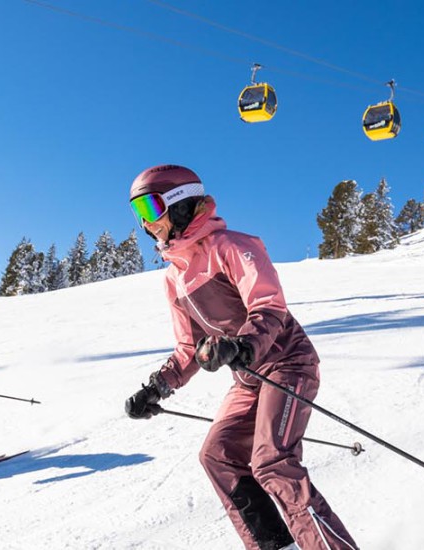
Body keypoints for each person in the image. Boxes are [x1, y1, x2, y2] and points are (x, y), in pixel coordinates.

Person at [121, 164, 357, 550]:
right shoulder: (174, 278)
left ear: (180, 204)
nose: (146, 224)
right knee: (218, 455)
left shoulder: (232, 246)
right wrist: (157, 387)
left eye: (150, 209)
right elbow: (188, 349)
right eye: (138, 214)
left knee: (272, 462)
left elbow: (268, 305)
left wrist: (242, 345)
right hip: (249, 378)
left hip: (287, 363)